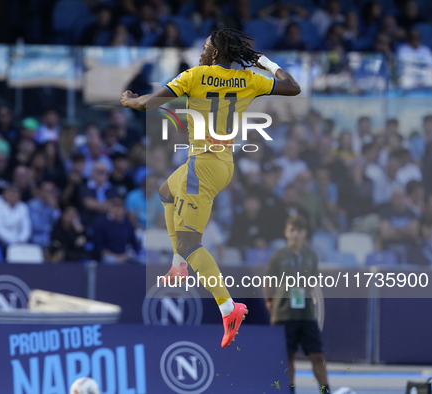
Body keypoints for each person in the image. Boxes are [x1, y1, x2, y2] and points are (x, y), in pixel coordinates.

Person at [121, 27, 300, 348]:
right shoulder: (250, 80)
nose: (200, 53)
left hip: (200, 166)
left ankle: (228, 308)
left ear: (214, 53)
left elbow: (149, 105)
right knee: (165, 191)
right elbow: (293, 86)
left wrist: (130, 101)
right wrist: (262, 61)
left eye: (204, 48)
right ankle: (179, 268)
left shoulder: (195, 75)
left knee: (192, 243)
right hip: (222, 165)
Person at [264, 215, 330, 394]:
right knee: (287, 356)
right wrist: (270, 304)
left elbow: (314, 282)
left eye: (299, 231)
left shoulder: (311, 257)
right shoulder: (277, 257)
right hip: (284, 312)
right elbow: (268, 281)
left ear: (305, 234)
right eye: (292, 230)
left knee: (317, 354)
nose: (295, 235)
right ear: (286, 232)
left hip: (306, 313)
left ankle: (325, 390)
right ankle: (290, 390)